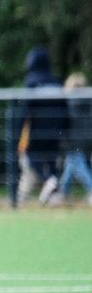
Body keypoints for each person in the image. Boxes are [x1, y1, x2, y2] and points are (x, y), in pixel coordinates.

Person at [13, 47, 69, 206]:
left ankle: (48, 181)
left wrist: (17, 131)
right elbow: (65, 109)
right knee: (51, 163)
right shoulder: (57, 82)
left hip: (38, 131)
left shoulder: (32, 83)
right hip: (56, 132)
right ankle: (53, 198)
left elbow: (25, 110)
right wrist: (65, 130)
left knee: (32, 158)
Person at [58, 72, 92, 205]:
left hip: (72, 141)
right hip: (87, 140)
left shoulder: (67, 103)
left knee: (76, 163)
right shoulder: (89, 101)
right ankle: (63, 193)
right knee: (70, 165)